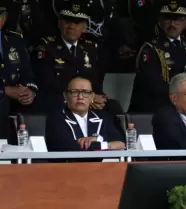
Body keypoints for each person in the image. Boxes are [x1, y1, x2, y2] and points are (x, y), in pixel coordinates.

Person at [33, 0, 118, 114]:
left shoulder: (90, 49)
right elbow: (48, 85)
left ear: (84, 27)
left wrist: (98, 98)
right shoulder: (46, 48)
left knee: (113, 108)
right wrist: (86, 98)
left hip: (87, 104)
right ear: (59, 23)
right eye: (67, 21)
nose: (71, 26)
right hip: (59, 105)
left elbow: (95, 83)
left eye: (77, 23)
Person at [128, 1, 186, 113]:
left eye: (177, 20)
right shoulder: (150, 48)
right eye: (168, 19)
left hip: (183, 103)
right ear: (160, 22)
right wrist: (185, 97)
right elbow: (154, 86)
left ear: (185, 23)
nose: (172, 24)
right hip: (158, 107)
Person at [45, 76, 125, 155]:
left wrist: (98, 139)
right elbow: (65, 146)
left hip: (101, 166)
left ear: (92, 96)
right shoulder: (56, 118)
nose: (80, 97)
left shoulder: (102, 117)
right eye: (74, 92)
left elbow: (120, 143)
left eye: (85, 92)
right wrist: (105, 144)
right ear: (65, 96)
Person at [0, 2, 38, 137]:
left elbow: (28, 75)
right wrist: (5, 90)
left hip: (9, 115)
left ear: (3, 19)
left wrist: (30, 91)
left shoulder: (15, 41)